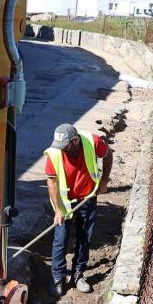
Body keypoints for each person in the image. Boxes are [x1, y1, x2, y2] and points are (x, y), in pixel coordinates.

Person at [44, 123, 113, 294]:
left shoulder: (92, 142)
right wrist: (58, 210)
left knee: (84, 237)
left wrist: (104, 181)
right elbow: (51, 182)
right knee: (61, 239)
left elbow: (108, 154)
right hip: (64, 202)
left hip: (87, 198)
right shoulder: (54, 153)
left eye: (65, 146)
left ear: (75, 141)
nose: (62, 150)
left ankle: (78, 274)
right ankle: (57, 278)